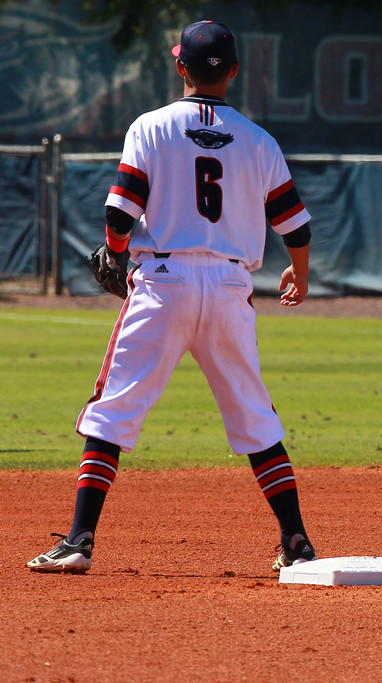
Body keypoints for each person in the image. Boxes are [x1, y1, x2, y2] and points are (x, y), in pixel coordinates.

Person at [28, 20, 318, 574]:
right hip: (232, 287)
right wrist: (299, 275)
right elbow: (295, 227)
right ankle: (297, 541)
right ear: (233, 71)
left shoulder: (151, 127)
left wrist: (115, 253)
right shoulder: (261, 142)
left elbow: (120, 212)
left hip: (163, 283)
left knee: (113, 411)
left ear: (179, 65)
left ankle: (80, 541)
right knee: (256, 418)